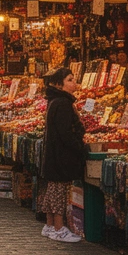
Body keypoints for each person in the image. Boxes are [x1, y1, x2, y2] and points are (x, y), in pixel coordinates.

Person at [39, 67, 85, 243]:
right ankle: (59, 228)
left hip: (53, 154)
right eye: (70, 80)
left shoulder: (55, 101)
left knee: (52, 190)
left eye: (74, 79)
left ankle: (50, 225)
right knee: (59, 191)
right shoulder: (62, 103)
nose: (74, 83)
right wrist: (78, 146)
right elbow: (65, 133)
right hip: (60, 155)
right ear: (60, 84)